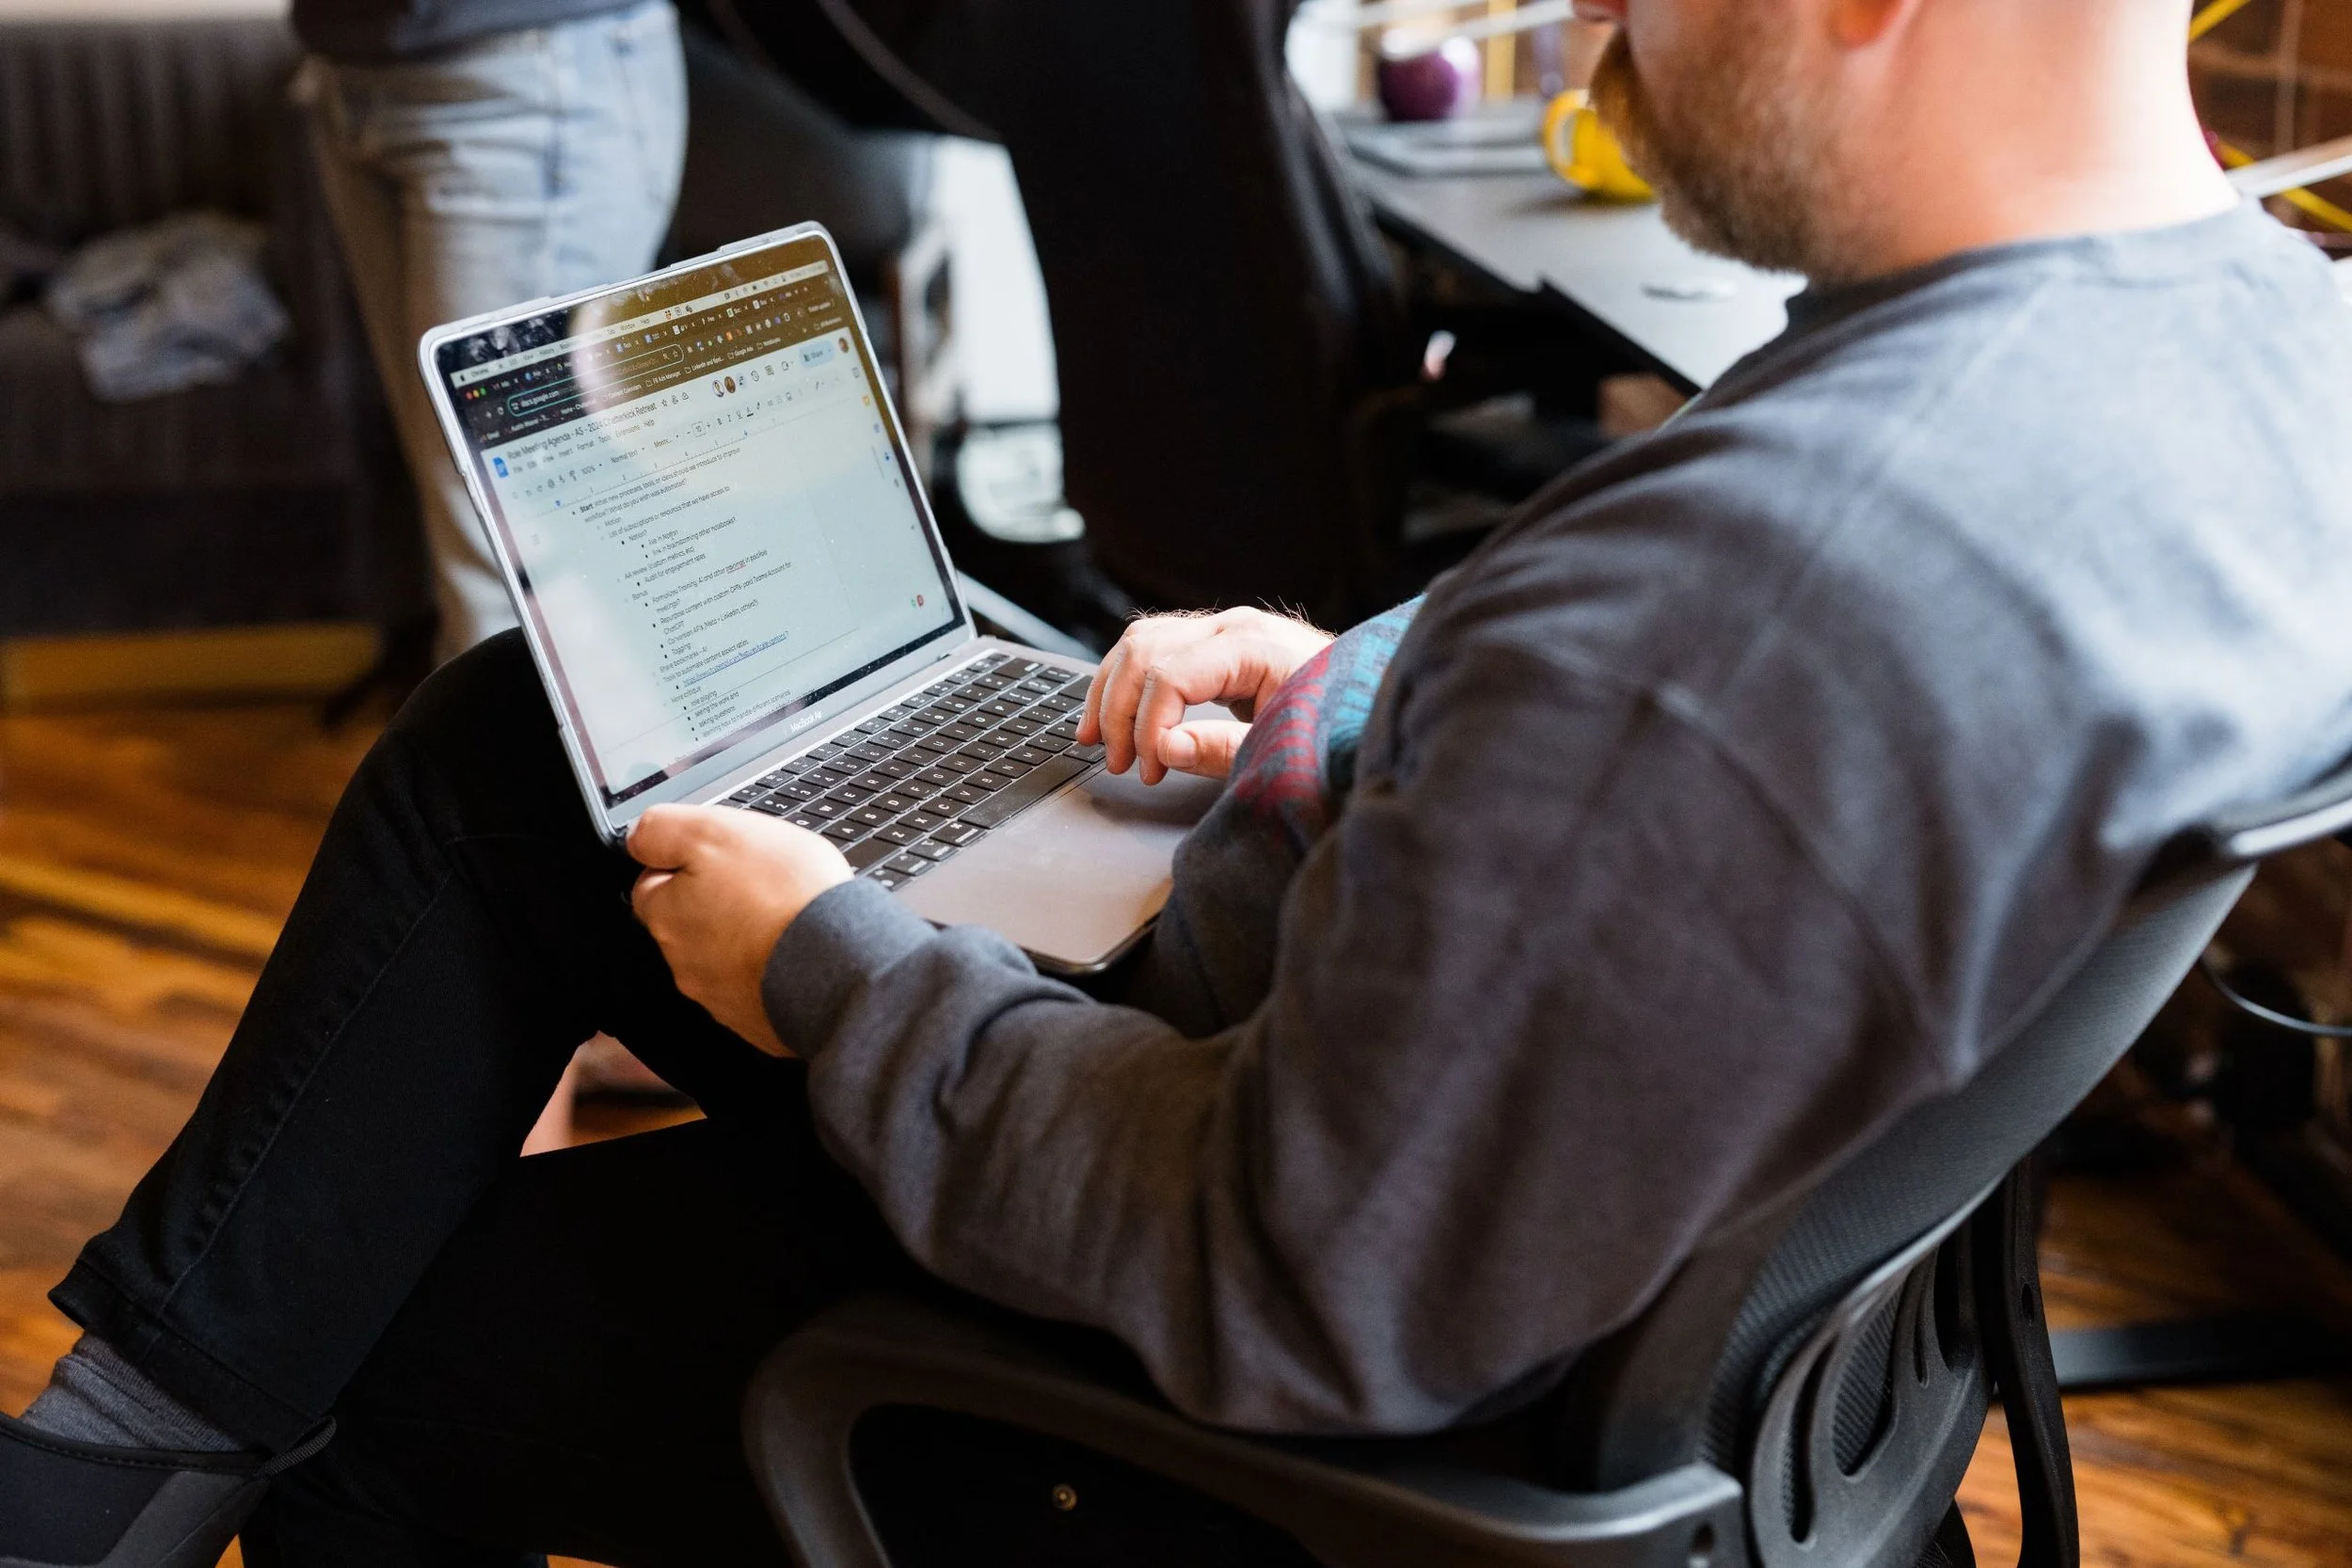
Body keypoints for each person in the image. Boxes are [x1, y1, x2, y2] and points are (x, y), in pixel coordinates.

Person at [8, 0, 2352, 1560]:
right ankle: (113, 1457)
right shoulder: (2264, 345)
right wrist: (1353, 692)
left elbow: (1281, 1280)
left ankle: (123, 1478)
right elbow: (1649, 807)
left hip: (1246, 1399)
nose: (1601, 33)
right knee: (522, 731)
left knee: (379, 1325)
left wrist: (834, 965)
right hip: (1549, 1204)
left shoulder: (1749, 605)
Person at [294, 0, 689, 659]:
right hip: (353, 67)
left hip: (523, 82)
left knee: (508, 554)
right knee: (464, 515)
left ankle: (515, 765)